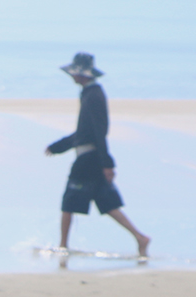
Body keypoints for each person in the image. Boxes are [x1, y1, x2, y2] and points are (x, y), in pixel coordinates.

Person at [45, 52, 150, 259]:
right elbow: (85, 130)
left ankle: (62, 246)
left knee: (69, 200)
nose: (72, 77)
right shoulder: (89, 93)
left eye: (74, 73)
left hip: (90, 158)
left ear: (81, 74)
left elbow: (98, 131)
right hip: (92, 156)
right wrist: (61, 146)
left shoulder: (94, 95)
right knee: (107, 203)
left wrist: (107, 163)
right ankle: (140, 237)